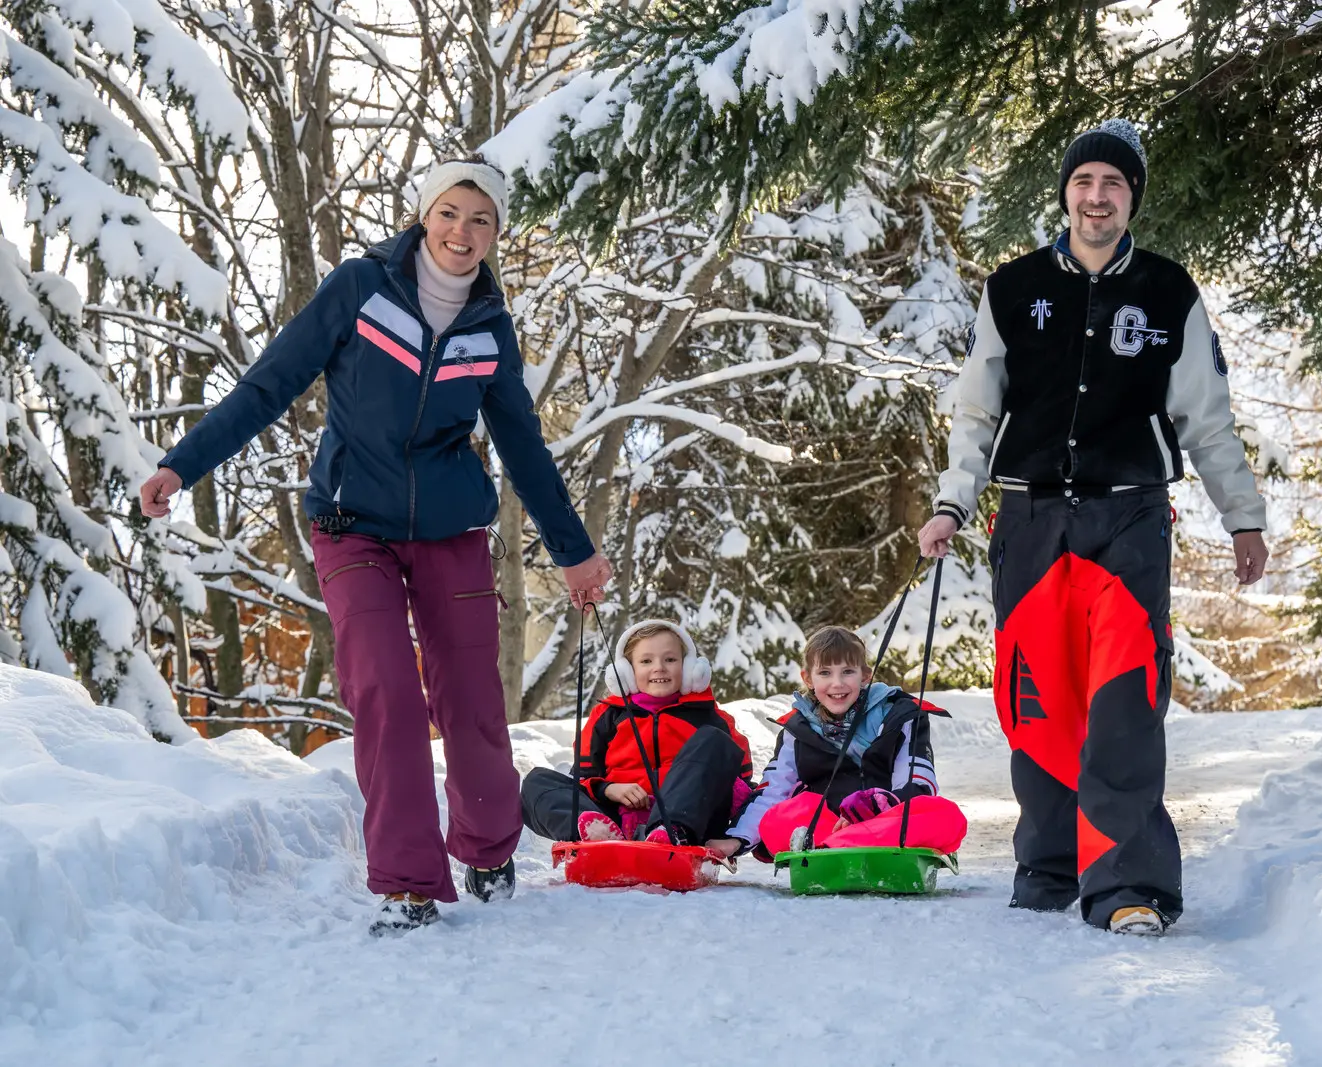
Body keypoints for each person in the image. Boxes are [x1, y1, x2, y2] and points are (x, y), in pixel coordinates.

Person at [139, 158, 613, 935]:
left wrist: (574, 551)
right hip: (351, 524)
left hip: (451, 531)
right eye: (449, 212)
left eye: (481, 219)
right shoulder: (361, 288)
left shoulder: (489, 326)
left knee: (471, 697)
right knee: (387, 692)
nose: (462, 231)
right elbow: (268, 385)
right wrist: (181, 464)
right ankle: (407, 883)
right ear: (424, 216)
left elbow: (522, 445)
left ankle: (487, 846)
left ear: (496, 233)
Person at [917, 119, 1269, 936]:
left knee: (1124, 697)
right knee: (1037, 697)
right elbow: (975, 410)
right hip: (1029, 516)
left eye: (1112, 183)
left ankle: (1127, 885)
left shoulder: (1167, 291)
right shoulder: (1011, 290)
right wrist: (951, 501)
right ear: (1065, 194)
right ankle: (1049, 867)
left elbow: (1206, 418)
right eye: (1083, 182)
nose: (1096, 196)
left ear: (1131, 197)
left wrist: (1242, 518)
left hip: (1129, 516)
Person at [725, 627, 967, 859]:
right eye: (825, 673)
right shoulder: (797, 729)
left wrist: (881, 802)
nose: (837, 683)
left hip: (884, 821)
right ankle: (852, 845)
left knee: (946, 816)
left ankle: (838, 848)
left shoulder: (900, 716)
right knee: (780, 818)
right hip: (827, 825)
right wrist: (737, 840)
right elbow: (774, 791)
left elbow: (919, 782)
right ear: (808, 679)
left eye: (848, 671)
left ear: (865, 676)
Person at [520, 620, 753, 858]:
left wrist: (736, 836)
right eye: (646, 661)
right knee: (536, 781)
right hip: (618, 819)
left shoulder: (713, 719)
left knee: (713, 740)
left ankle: (671, 832)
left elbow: (742, 787)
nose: (659, 668)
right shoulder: (607, 717)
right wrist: (608, 789)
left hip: (690, 824)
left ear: (689, 667)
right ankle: (597, 834)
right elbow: (582, 778)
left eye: (670, 659)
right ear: (627, 672)